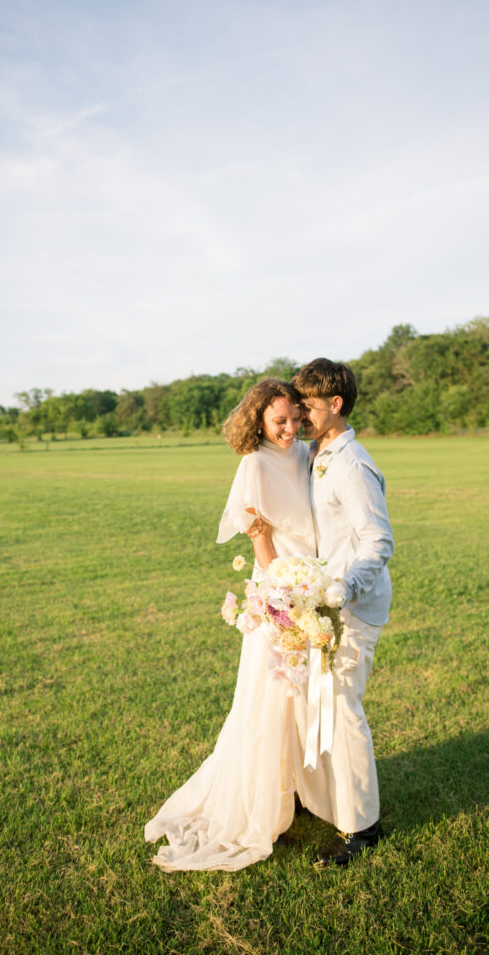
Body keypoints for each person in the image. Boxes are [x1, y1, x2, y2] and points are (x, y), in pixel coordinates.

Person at [144, 378, 317, 871]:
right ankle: (262, 799)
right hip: (282, 586)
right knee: (271, 691)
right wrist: (282, 594)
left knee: (304, 693)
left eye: (293, 419)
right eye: (277, 421)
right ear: (259, 421)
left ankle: (301, 788)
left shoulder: (304, 452)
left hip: (313, 579)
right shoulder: (255, 463)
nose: (288, 429)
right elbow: (255, 527)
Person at [291, 357, 394, 868]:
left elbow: (378, 540)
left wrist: (341, 591)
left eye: (307, 406)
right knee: (317, 706)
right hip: (320, 604)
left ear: (335, 405)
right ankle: (320, 798)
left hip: (351, 606)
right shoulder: (317, 452)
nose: (299, 415)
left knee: (343, 712)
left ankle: (361, 827)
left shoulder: (352, 464)